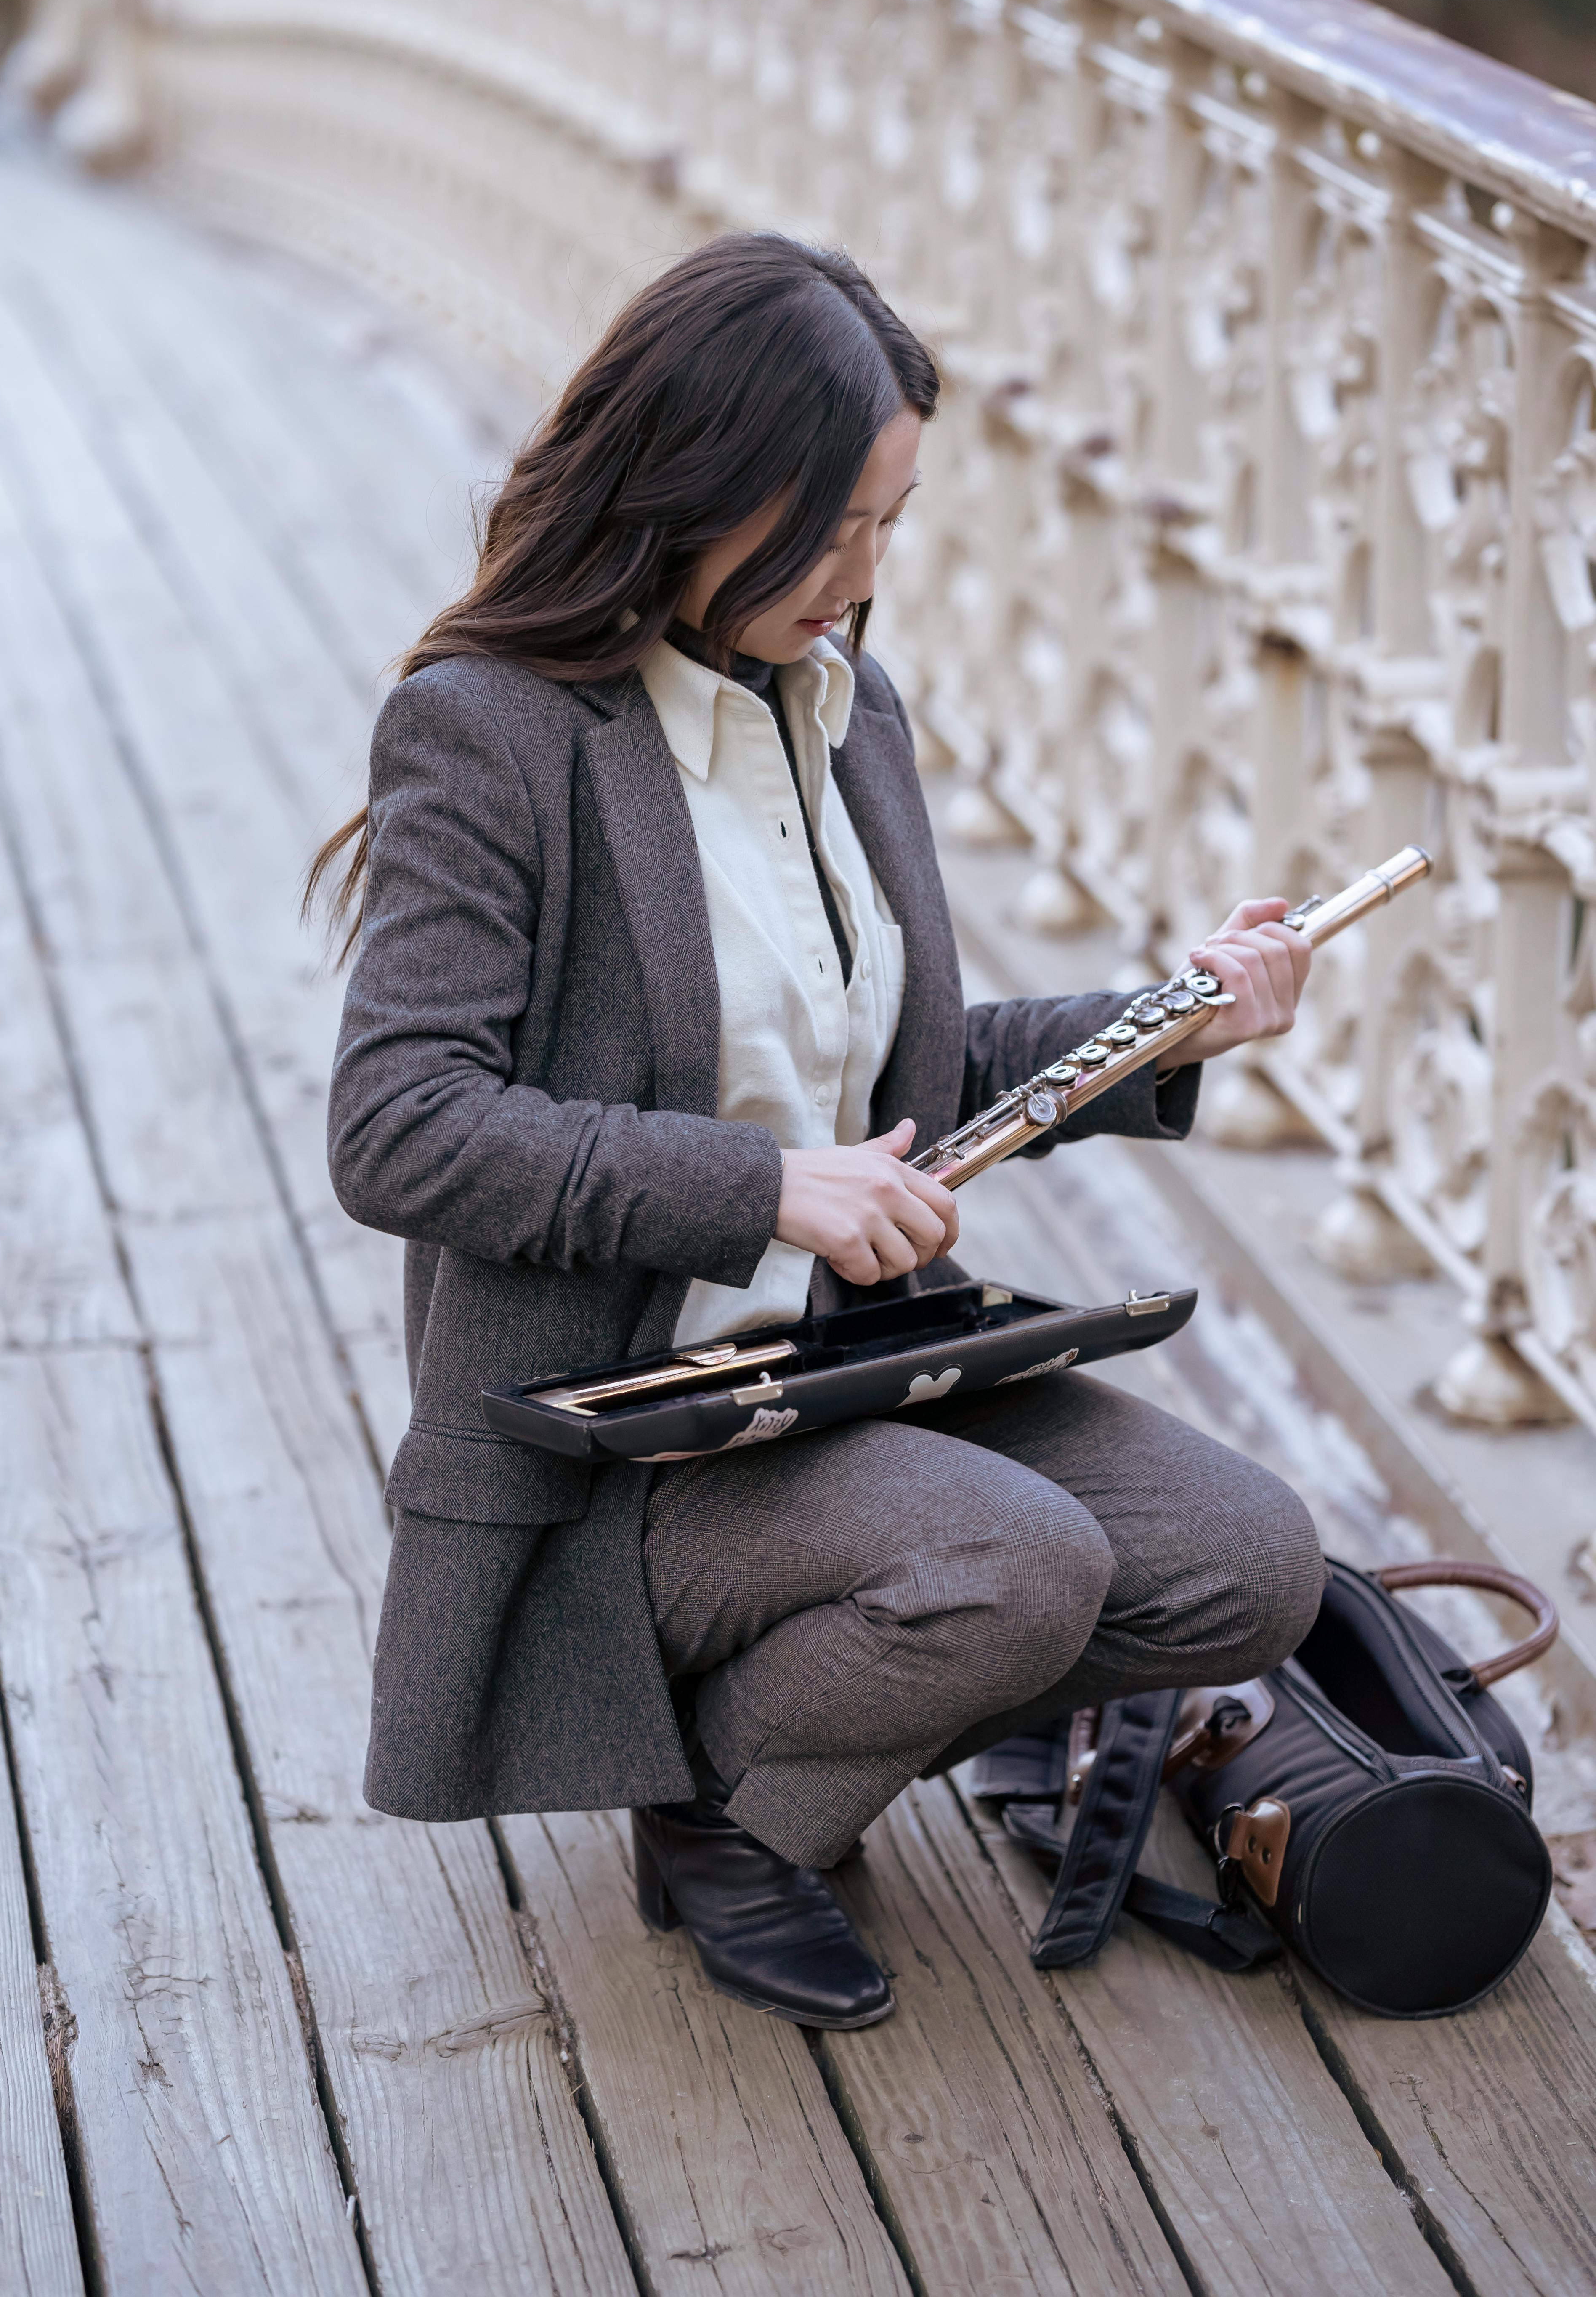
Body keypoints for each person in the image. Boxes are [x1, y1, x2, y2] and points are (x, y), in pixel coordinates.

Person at [313, 232, 1325, 2032]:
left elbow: (903, 1066)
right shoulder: (490, 735)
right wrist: (766, 1188)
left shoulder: (844, 713)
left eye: (891, 525)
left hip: (853, 1373)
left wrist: (1175, 1018)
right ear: (691, 486)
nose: (860, 580)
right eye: (827, 529)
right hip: (628, 1428)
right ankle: (727, 1822)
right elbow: (401, 1127)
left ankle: (793, 1719)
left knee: (1251, 1567)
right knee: (1018, 1565)